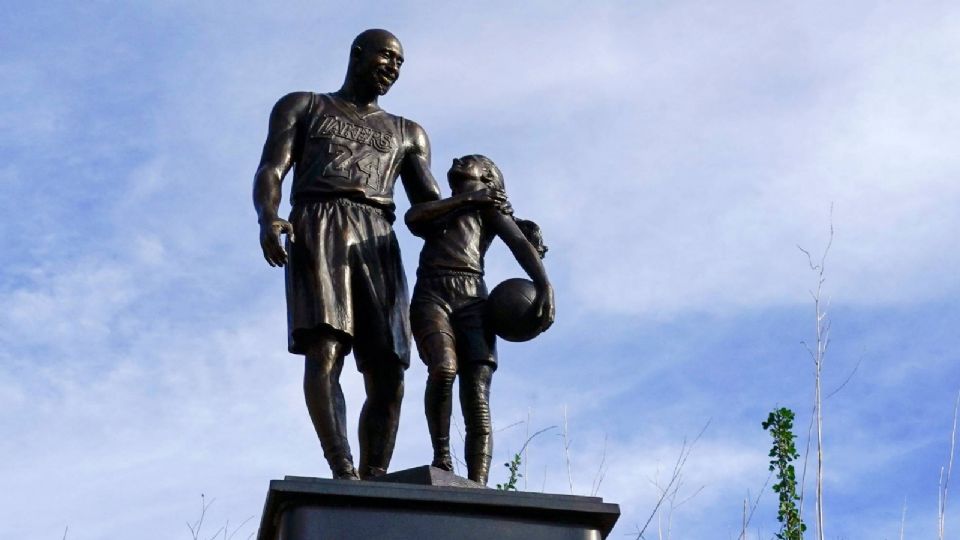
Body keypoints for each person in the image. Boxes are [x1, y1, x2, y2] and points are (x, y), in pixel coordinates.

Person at [252, 29, 441, 480]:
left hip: (378, 234)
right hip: (320, 222)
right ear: (358, 54)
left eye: (400, 63)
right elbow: (272, 168)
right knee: (326, 347)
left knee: (390, 366)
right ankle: (342, 467)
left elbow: (430, 210)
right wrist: (268, 216)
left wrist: (491, 214)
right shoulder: (304, 105)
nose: (393, 69)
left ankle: (375, 477)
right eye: (387, 57)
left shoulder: (408, 134)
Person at [406, 155, 555, 485]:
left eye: (471, 160)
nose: (459, 159)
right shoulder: (445, 206)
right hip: (432, 293)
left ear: (488, 177)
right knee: (444, 368)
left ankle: (479, 484)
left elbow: (518, 242)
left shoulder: (490, 209)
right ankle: (442, 455)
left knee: (477, 398)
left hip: (473, 298)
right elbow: (413, 218)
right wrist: (470, 198)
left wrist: (544, 284)